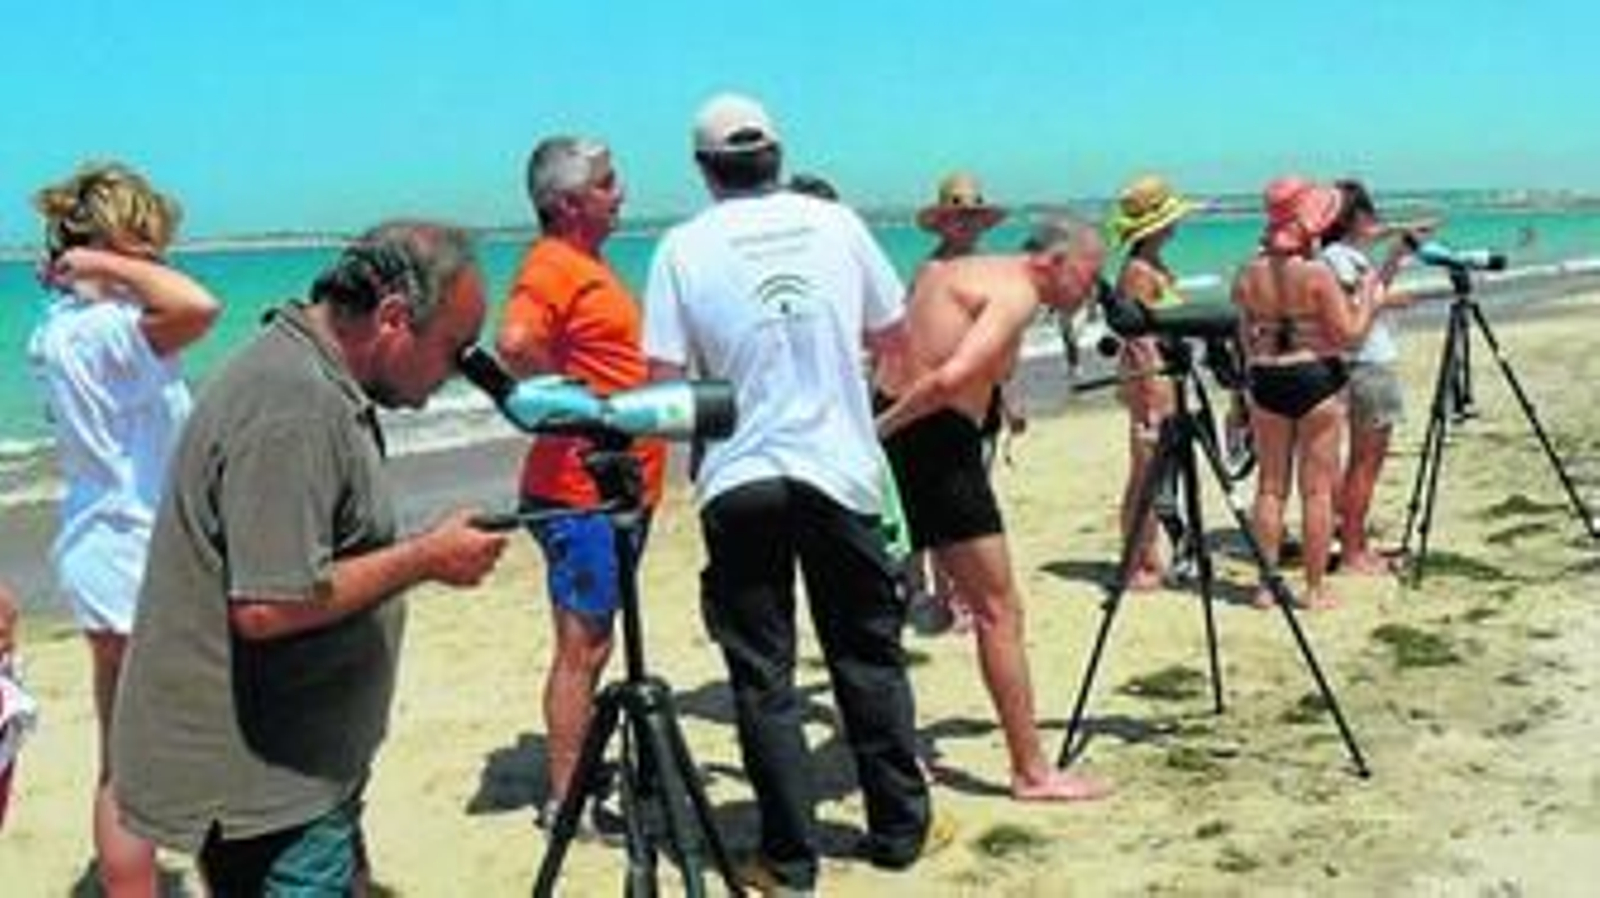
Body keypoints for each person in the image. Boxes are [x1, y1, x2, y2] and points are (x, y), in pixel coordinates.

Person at [111, 221, 509, 894]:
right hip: (270, 788)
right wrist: (426, 557)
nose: (455, 374)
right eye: (454, 349)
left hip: (304, 769)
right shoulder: (293, 405)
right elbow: (270, 604)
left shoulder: (316, 378)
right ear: (391, 319)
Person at [643, 92, 945, 896]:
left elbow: (666, 386)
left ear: (705, 169)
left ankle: (790, 856)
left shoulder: (681, 248)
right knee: (866, 652)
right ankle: (897, 827)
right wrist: (840, 388)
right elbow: (893, 337)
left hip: (739, 476)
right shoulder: (836, 225)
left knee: (763, 675)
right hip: (837, 467)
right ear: (775, 155)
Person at [874, 212, 1114, 804]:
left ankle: (894, 752)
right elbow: (948, 377)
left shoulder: (950, 269)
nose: (1091, 291)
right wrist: (872, 432)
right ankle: (1031, 771)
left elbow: (895, 345)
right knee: (998, 610)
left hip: (904, 426)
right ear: (1054, 261)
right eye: (1089, 275)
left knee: (881, 602)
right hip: (930, 440)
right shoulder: (1015, 294)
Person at [27, 161, 220, 894]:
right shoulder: (109, 331)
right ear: (109, 243)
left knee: (124, 757)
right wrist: (108, 263)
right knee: (168, 760)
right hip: (137, 557)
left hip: (98, 547)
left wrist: (103, 267)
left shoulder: (60, 330)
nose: (159, 261)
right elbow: (200, 307)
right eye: (148, 246)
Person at [494, 135, 667, 829]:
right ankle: (565, 802)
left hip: (614, 489)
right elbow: (513, 342)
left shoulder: (583, 263)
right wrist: (581, 404)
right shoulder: (552, 267)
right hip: (577, 493)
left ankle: (578, 777)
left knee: (596, 639)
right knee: (584, 645)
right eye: (606, 182)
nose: (619, 192)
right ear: (569, 203)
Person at [1232, 177, 1404, 609]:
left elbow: (1243, 338)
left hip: (1266, 379)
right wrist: (1367, 296)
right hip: (1314, 377)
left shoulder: (1246, 274)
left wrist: (1241, 391)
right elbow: (1349, 335)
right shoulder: (1315, 274)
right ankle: (1313, 587)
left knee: (1270, 488)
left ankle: (1265, 586)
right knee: (1316, 491)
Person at [907, 172, 1023, 632]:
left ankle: (964, 594)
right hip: (940, 398)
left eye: (972, 216)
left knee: (972, 497)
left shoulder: (991, 271)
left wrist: (1009, 400)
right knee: (945, 502)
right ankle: (946, 596)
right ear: (942, 223)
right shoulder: (929, 273)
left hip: (982, 395)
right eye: (958, 217)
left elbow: (1001, 343)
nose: (967, 225)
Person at [1323, 180, 1425, 575]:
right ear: (1357, 218)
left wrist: (1396, 256)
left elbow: (1369, 294)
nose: (1377, 220)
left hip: (1363, 361)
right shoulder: (1339, 257)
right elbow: (1356, 308)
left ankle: (1354, 540)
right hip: (1366, 363)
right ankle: (1352, 550)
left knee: (1362, 461)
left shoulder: (1344, 255)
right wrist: (1390, 300)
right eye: (1370, 213)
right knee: (1366, 462)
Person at [1105, 175, 1197, 590]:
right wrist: (1151, 398)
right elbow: (1139, 340)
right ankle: (1136, 561)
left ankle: (1149, 555)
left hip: (1158, 370)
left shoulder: (1151, 265)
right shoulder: (1140, 271)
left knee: (1154, 471)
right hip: (1149, 375)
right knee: (1144, 472)